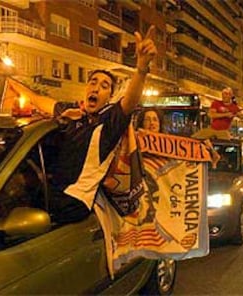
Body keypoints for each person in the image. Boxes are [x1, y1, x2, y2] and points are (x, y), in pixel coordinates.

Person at [16, 26, 157, 223]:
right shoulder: (74, 113)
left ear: (109, 97)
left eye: (104, 86)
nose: (96, 88)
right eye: (93, 82)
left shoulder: (109, 123)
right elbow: (35, 98)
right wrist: (5, 76)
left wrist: (141, 69)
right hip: (47, 194)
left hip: (73, 203)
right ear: (86, 87)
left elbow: (130, 102)